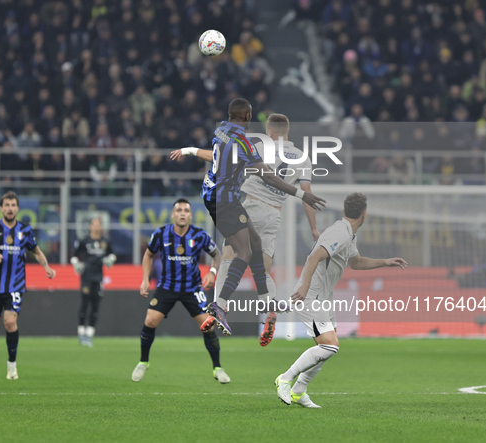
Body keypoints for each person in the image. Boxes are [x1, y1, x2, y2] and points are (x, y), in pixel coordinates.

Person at [171, 113, 321, 346]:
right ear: (288, 131)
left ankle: (218, 307)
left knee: (228, 256)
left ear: (270, 132)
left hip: (251, 207)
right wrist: (314, 229)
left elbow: (218, 156)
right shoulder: (303, 157)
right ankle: (269, 309)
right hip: (275, 214)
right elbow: (307, 195)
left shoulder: (259, 145)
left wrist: (191, 150)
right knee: (263, 268)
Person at [275, 193, 407, 408]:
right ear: (364, 214)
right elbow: (313, 257)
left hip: (323, 297)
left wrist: (385, 262)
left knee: (325, 348)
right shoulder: (339, 233)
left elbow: (357, 263)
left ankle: (299, 390)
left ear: (345, 211)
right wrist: (306, 286)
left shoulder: (348, 234)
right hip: (311, 296)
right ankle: (286, 379)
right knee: (330, 345)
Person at [132, 198, 226, 383]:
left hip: (192, 287)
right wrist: (144, 278)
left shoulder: (200, 235)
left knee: (209, 325)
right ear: (173, 214)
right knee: (150, 321)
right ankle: (143, 362)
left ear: (190, 215)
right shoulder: (161, 234)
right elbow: (148, 254)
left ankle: (218, 368)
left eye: (186, 210)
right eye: (179, 210)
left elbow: (217, 255)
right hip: (167, 286)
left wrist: (212, 272)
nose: (182, 213)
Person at [0, 191, 56, 380]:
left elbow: (36, 251)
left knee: (10, 322)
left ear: (18, 209)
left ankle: (12, 364)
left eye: (13, 205)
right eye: (7, 205)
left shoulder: (25, 231)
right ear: (1, 208)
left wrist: (47, 267)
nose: (10, 209)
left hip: (15, 285)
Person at [71, 217, 116, 347]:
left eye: (98, 225)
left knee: (96, 305)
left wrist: (110, 260)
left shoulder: (105, 241)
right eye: (94, 224)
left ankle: (90, 334)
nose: (96, 227)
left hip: (98, 277)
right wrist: (76, 264)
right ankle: (81, 332)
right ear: (90, 226)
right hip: (86, 276)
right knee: (85, 303)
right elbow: (74, 255)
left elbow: (112, 254)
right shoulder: (84, 240)